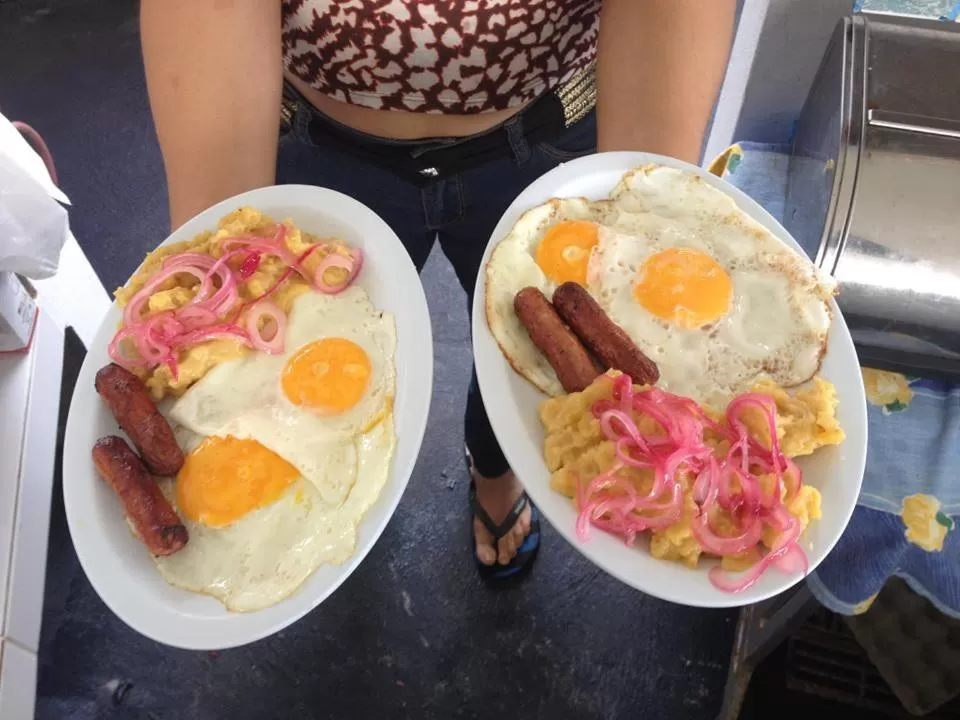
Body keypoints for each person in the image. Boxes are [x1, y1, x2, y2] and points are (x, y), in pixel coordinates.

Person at [140, 0, 735, 582]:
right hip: (310, 140)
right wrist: (212, 312)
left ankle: (495, 468)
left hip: (551, 133)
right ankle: (332, 488)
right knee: (297, 350)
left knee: (534, 349)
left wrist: (649, 241)